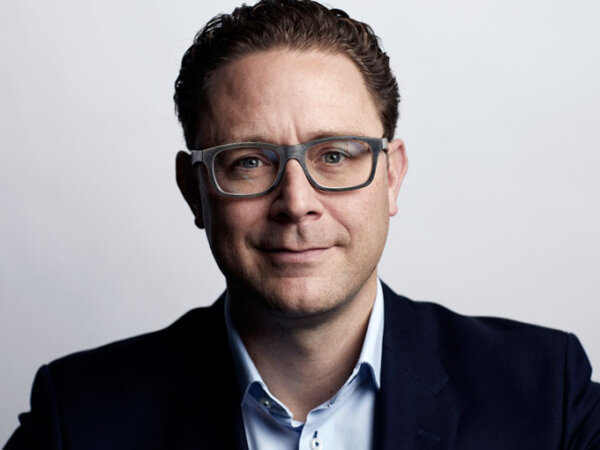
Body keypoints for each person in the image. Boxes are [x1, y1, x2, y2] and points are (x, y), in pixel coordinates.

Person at [5, 0, 600, 448]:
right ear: (195, 192)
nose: (296, 203)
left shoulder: (547, 394)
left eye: (334, 155)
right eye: (249, 161)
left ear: (391, 177)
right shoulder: (77, 418)